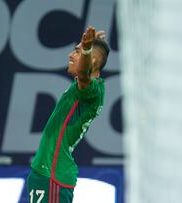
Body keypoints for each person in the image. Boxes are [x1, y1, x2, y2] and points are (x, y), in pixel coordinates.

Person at [26, 26, 110, 203]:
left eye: (77, 52)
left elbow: (84, 75)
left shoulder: (91, 91)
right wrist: (91, 47)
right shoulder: (84, 88)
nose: (71, 55)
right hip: (44, 173)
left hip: (53, 175)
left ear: (92, 61)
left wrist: (87, 49)